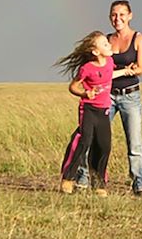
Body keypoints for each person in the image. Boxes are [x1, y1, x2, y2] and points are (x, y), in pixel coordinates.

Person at [76, 0, 142, 196]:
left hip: (130, 96)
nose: (117, 19)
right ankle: (84, 178)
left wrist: (117, 71)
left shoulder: (138, 38)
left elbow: (140, 69)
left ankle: (140, 183)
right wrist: (125, 69)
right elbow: (93, 66)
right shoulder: (106, 39)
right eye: (113, 15)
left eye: (121, 14)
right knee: (91, 138)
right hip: (104, 96)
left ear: (130, 15)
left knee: (134, 143)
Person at [56, 31, 134, 197]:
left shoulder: (110, 62)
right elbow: (73, 86)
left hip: (104, 110)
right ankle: (68, 178)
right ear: (95, 52)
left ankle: (99, 183)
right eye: (105, 44)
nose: (109, 45)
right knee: (84, 141)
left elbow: (109, 75)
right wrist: (85, 93)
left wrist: (126, 71)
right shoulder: (87, 69)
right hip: (89, 110)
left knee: (104, 145)